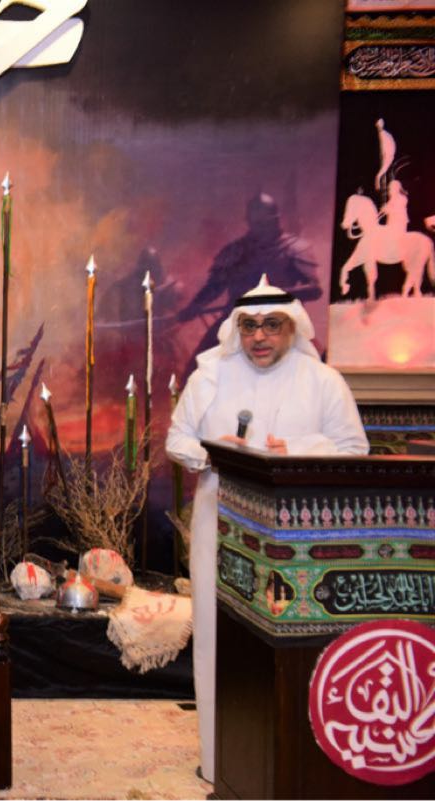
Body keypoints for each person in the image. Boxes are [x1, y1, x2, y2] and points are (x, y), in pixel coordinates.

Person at [166, 276, 368, 783]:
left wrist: (294, 452)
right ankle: (219, 760)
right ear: (236, 330)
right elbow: (176, 438)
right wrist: (213, 451)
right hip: (220, 525)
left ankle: (290, 763)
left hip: (297, 541)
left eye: (271, 325)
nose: (259, 337)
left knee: (287, 644)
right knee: (216, 637)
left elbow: (354, 449)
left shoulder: (323, 381)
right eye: (249, 326)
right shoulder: (210, 376)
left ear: (292, 327)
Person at [177, 192, 322, 366]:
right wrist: (193, 307)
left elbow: (313, 289)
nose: (260, 228)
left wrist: (270, 294)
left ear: (275, 220)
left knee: (313, 366)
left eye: (264, 223)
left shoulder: (294, 249)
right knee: (198, 368)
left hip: (280, 320)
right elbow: (214, 286)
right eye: (256, 223)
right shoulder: (236, 250)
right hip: (237, 320)